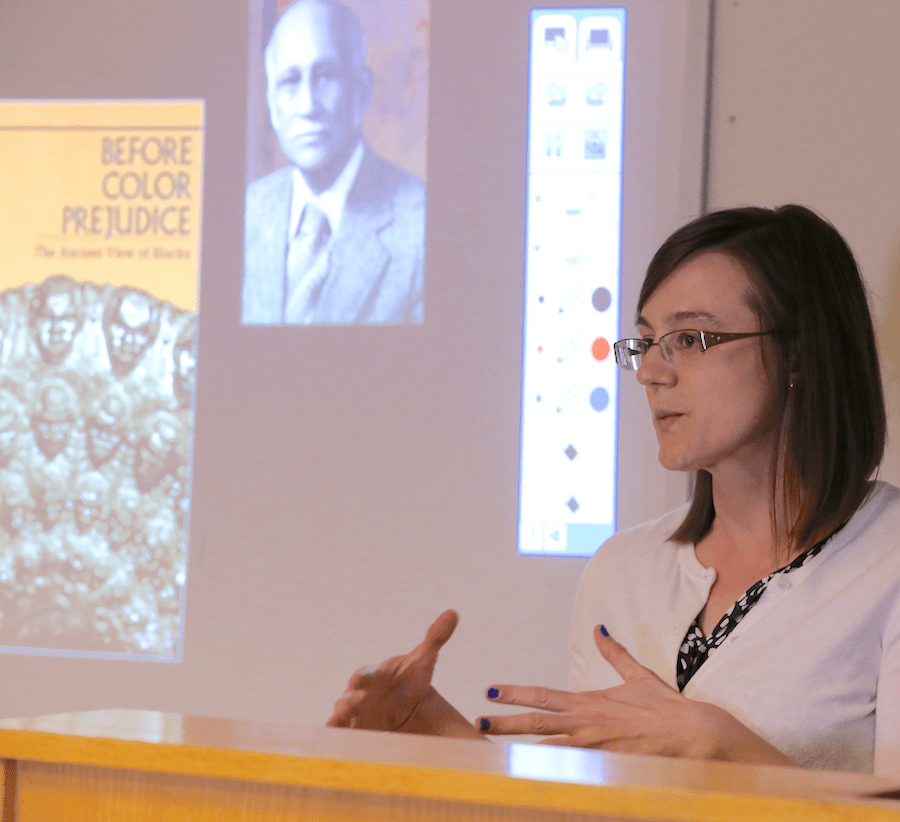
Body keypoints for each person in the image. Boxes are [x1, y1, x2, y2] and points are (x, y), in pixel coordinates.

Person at [328, 205, 900, 775]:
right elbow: (593, 806)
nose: (651, 372)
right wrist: (435, 739)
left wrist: (723, 747)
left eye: (690, 339)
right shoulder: (624, 568)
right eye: (646, 342)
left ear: (798, 352)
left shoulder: (886, 560)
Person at [242, 0, 425, 326]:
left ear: (361, 92)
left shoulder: (421, 225)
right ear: (271, 104)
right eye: (290, 81)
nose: (307, 105)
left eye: (325, 76)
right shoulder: (245, 213)